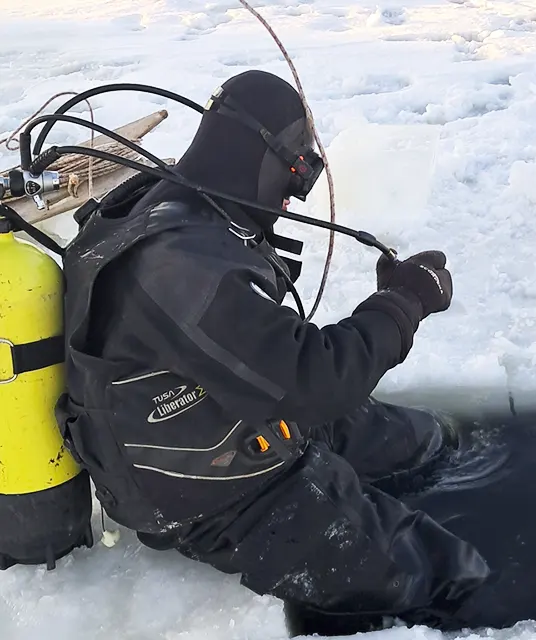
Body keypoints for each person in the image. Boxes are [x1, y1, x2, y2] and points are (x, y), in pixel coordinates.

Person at [54, 69, 491, 629]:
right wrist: (403, 305)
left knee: (422, 441)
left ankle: (418, 465)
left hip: (236, 407)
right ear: (261, 158)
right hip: (208, 491)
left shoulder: (180, 201)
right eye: (293, 179)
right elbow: (315, 382)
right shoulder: (179, 268)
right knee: (444, 573)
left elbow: (275, 356)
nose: (291, 200)